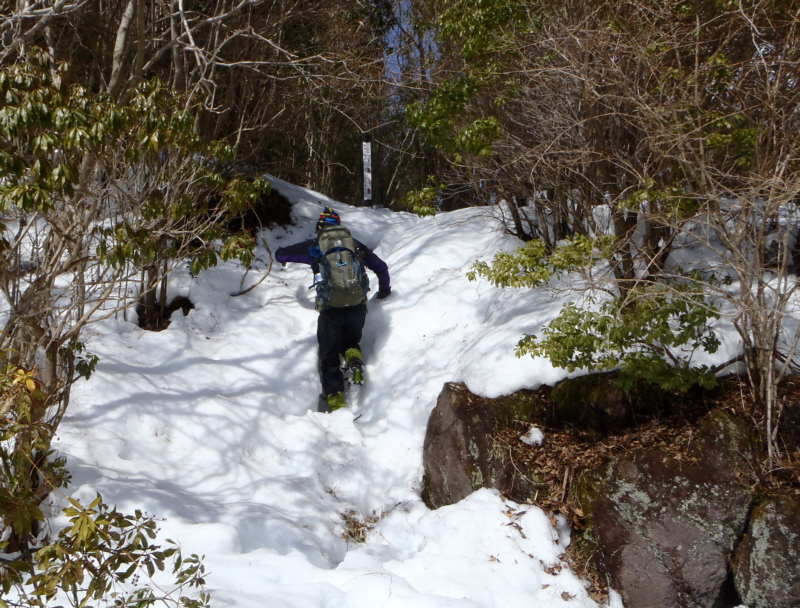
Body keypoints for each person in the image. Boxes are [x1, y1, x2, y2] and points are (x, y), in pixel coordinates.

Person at [275, 207, 391, 411]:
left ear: (320, 227)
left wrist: (279, 253)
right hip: (356, 307)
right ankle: (353, 358)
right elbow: (381, 267)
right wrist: (384, 291)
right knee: (350, 341)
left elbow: (282, 255)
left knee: (329, 358)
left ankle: (337, 404)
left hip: (330, 310)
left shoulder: (314, 246)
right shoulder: (354, 245)